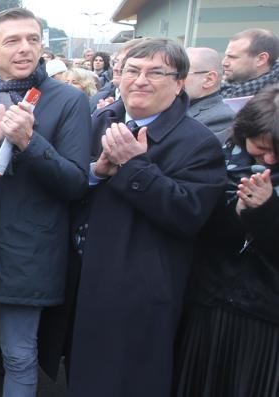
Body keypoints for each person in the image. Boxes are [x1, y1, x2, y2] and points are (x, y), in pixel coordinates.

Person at [70, 38, 227, 397]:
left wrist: (135, 167)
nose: (140, 80)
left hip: (140, 288)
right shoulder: (101, 120)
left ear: (178, 83)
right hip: (85, 277)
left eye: (156, 72)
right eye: (132, 71)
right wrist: (96, 171)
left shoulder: (198, 141)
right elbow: (71, 184)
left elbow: (189, 214)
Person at [0, 8, 91, 397]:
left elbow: (75, 183)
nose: (24, 48)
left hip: (30, 247)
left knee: (18, 353)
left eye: (32, 39)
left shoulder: (67, 101)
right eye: (12, 40)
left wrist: (30, 143)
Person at [175, 85, 279, 397]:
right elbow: (197, 227)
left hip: (266, 317)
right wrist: (236, 210)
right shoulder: (218, 156)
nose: (269, 159)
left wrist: (266, 212)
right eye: (260, 147)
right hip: (209, 302)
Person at [185, 47, 236, 143]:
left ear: (209, 79)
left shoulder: (221, 118)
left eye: (181, 73)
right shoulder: (169, 107)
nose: (172, 79)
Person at [221, 28, 279, 99]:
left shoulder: (274, 100)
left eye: (232, 57)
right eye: (226, 56)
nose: (224, 63)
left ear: (261, 59)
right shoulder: (221, 88)